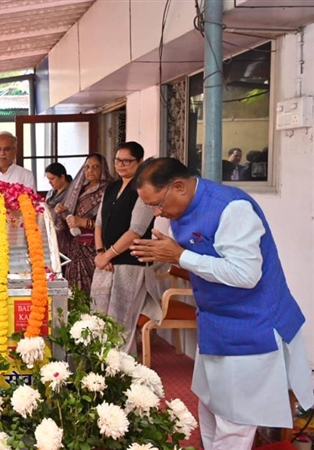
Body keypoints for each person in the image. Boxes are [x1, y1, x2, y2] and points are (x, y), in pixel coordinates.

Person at [130, 157, 314, 450]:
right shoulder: (182, 209)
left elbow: (246, 274)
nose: (158, 212)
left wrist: (179, 256)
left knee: (235, 421)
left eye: (158, 204)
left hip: (252, 326)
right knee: (211, 406)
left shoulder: (232, 208)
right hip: (216, 321)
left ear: (178, 186)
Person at [89, 142, 159, 354]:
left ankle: (121, 373)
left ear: (139, 162)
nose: (121, 164)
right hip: (106, 261)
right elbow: (99, 222)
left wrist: (109, 255)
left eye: (127, 161)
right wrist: (101, 253)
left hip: (130, 262)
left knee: (121, 321)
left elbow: (136, 230)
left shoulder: (143, 189)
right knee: (98, 317)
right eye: (118, 160)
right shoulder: (111, 187)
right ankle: (100, 368)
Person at [54, 154, 112, 294]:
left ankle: (95, 316)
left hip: (95, 246)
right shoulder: (79, 189)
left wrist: (83, 222)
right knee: (75, 290)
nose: (90, 170)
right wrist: (62, 212)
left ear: (103, 169)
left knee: (94, 288)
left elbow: (110, 221)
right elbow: (71, 216)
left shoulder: (109, 190)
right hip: (76, 246)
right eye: (87, 167)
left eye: (95, 167)